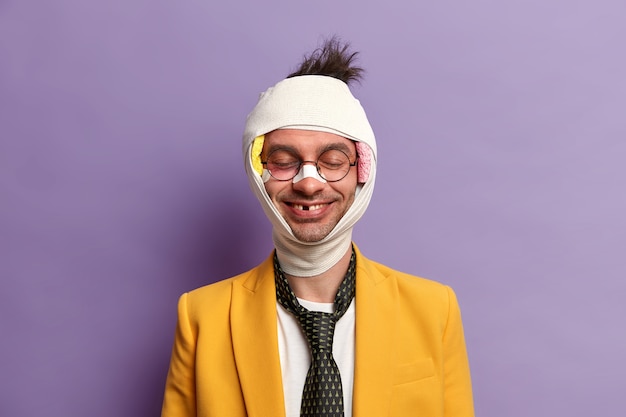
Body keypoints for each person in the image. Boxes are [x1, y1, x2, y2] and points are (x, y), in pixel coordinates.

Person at [161, 38, 474, 417]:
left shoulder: (433, 310)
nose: (309, 182)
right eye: (282, 160)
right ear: (258, 173)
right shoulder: (202, 318)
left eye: (332, 160)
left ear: (362, 170)